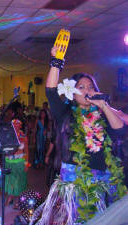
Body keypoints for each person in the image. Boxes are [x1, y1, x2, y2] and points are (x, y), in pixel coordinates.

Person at [30, 47, 127, 224]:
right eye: (81, 87)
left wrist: (104, 106)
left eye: (90, 87)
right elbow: (51, 91)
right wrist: (56, 61)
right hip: (76, 184)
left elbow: (120, 131)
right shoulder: (65, 113)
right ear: (73, 93)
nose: (87, 90)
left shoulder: (103, 115)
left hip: (103, 183)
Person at [5, 119, 28, 209]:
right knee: (10, 180)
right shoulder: (8, 135)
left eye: (17, 124)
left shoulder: (23, 136)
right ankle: (10, 198)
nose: (15, 125)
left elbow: (26, 151)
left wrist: (26, 163)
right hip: (9, 161)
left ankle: (19, 201)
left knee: (19, 181)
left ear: (20, 125)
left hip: (19, 162)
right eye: (13, 124)